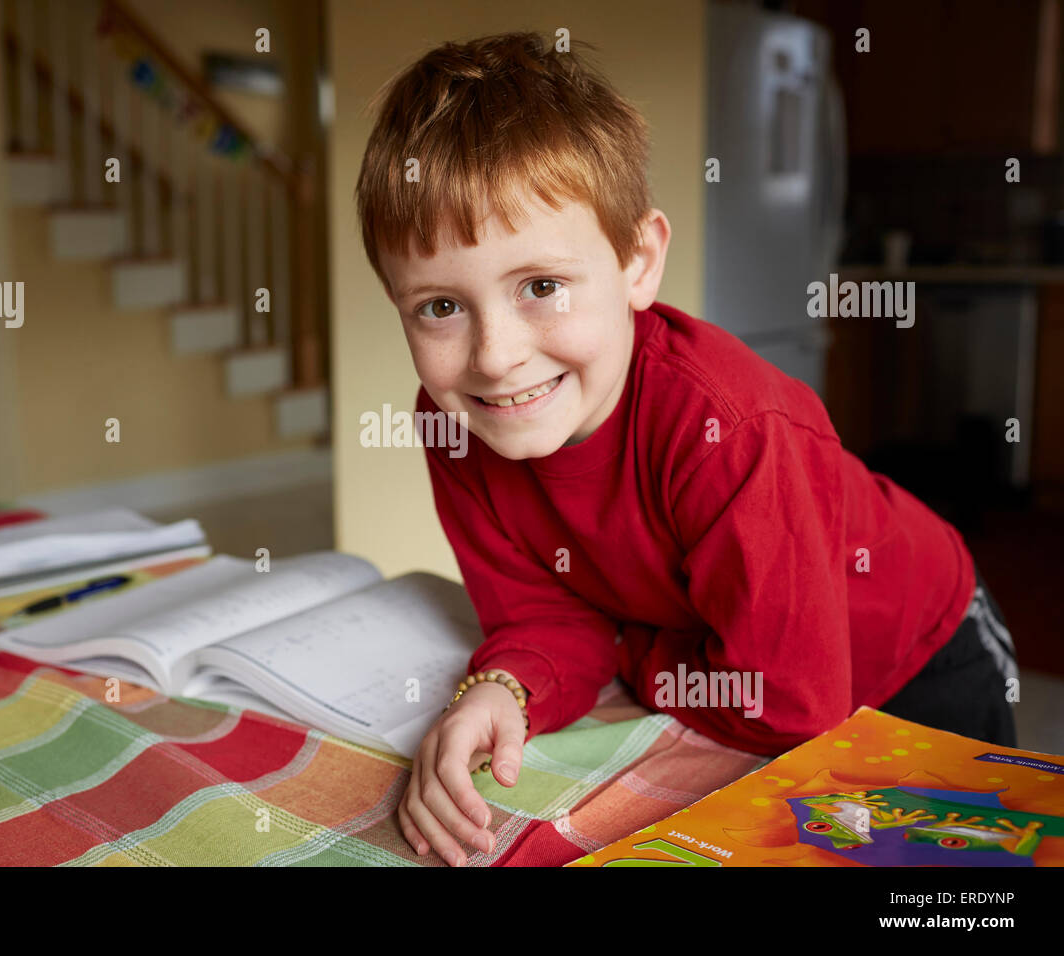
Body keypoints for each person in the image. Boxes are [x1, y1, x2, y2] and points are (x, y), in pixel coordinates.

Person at [353, 32, 1017, 868]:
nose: (494, 354)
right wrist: (503, 686)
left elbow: (784, 702)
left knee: (950, 877)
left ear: (639, 261)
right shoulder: (456, 424)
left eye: (542, 287)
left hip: (920, 649)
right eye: (439, 307)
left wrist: (626, 645)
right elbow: (542, 613)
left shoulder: (732, 431)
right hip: (730, 662)